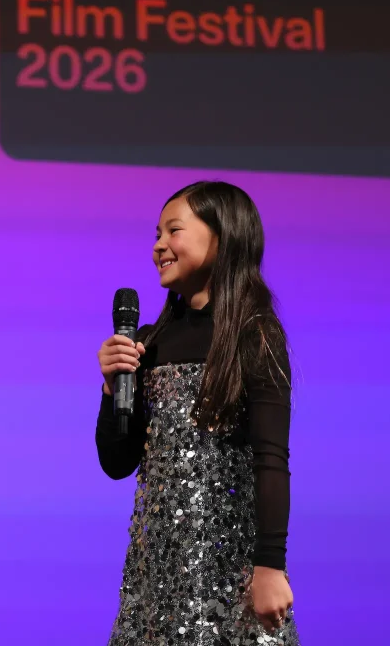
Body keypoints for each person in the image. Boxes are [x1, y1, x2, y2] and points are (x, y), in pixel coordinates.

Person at [95, 181, 299, 645]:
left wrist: (270, 565)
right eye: (156, 234)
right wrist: (111, 390)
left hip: (231, 575)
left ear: (222, 239)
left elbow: (271, 459)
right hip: (156, 579)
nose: (159, 246)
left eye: (174, 230)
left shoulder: (255, 334)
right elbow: (117, 462)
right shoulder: (150, 340)